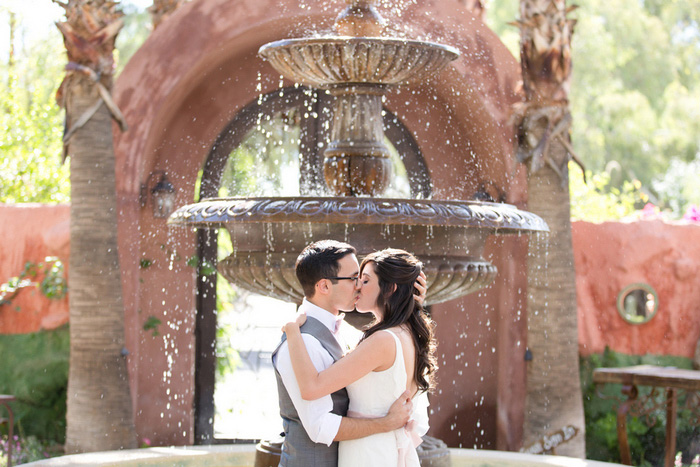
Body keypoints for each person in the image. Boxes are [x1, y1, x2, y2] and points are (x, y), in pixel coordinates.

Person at [271, 240, 427, 467]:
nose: (358, 286)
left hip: (370, 453)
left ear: (389, 288)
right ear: (324, 286)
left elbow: (313, 387)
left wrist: (292, 328)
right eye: (354, 278)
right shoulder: (308, 341)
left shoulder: (378, 338)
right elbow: (320, 426)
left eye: (364, 280)